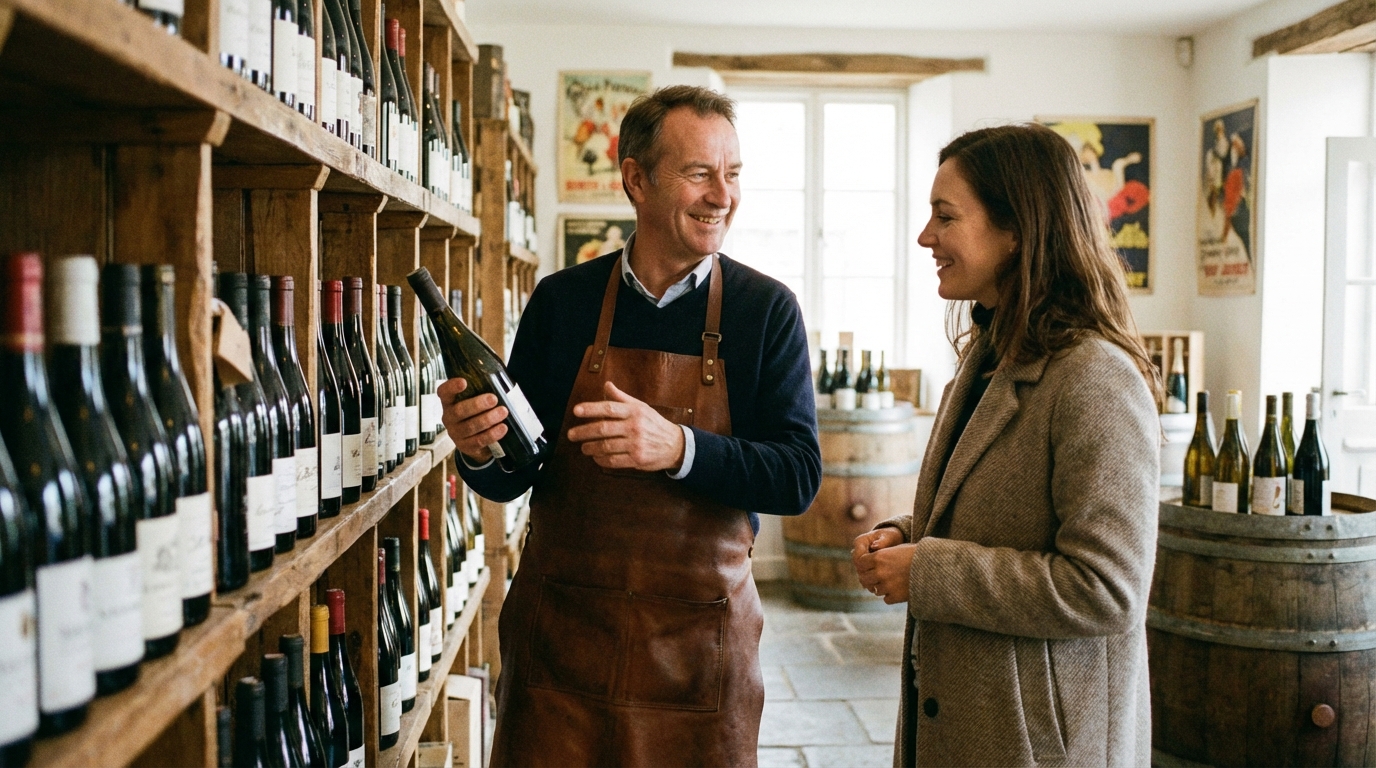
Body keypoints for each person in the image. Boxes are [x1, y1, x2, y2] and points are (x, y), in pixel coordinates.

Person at [441, 85, 821, 767]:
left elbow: (796, 476)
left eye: (732, 174)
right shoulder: (562, 302)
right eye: (700, 172)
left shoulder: (767, 311)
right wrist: (477, 448)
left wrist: (677, 447)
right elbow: (516, 475)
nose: (722, 195)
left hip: (697, 656)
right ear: (636, 179)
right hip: (563, 645)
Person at [852, 124, 1160, 767]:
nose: (925, 237)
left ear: (1016, 229)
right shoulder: (986, 356)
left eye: (945, 217)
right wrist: (908, 533)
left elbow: (1105, 587)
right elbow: (1002, 513)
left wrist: (927, 569)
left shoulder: (1095, 376)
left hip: (1041, 747)